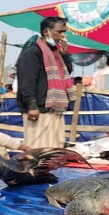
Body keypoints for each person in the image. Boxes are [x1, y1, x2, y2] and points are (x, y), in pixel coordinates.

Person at [16, 17, 75, 148]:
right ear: (46, 32)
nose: (63, 35)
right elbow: (26, 81)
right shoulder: (32, 53)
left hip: (54, 110)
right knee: (37, 150)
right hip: (39, 110)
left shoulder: (56, 54)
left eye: (64, 32)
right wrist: (32, 106)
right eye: (59, 32)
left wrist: (65, 55)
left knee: (54, 149)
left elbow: (66, 73)